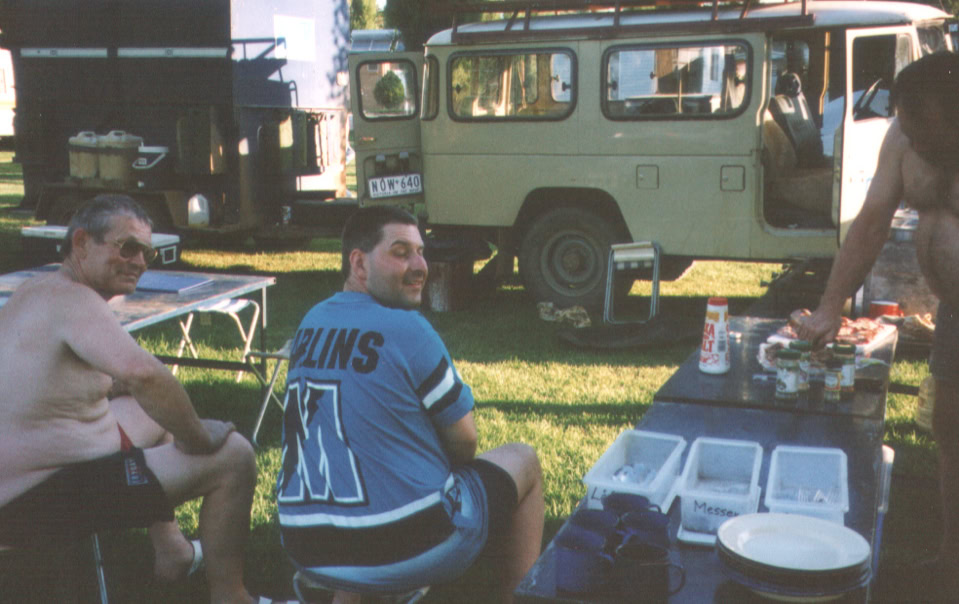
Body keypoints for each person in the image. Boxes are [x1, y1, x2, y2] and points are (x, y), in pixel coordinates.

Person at [0, 195, 269, 604]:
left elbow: (50, 382)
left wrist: (115, 388)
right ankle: (231, 596)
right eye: (128, 248)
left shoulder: (35, 292)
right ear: (81, 243)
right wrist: (197, 436)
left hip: (25, 480)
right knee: (234, 456)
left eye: (147, 252)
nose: (140, 262)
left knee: (153, 414)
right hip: (33, 502)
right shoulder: (75, 300)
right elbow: (144, 375)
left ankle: (172, 550)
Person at [277, 206, 544, 603]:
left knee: (367, 488)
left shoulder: (310, 322)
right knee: (525, 461)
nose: (420, 266)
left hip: (305, 545)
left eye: (421, 252)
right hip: (409, 546)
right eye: (401, 253)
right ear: (359, 263)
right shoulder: (409, 329)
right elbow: (466, 441)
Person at [796, 52, 959, 595]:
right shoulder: (903, 137)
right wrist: (830, 305)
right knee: (950, 430)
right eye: (904, 126)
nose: (910, 139)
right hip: (953, 312)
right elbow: (871, 222)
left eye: (921, 130)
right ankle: (951, 565)